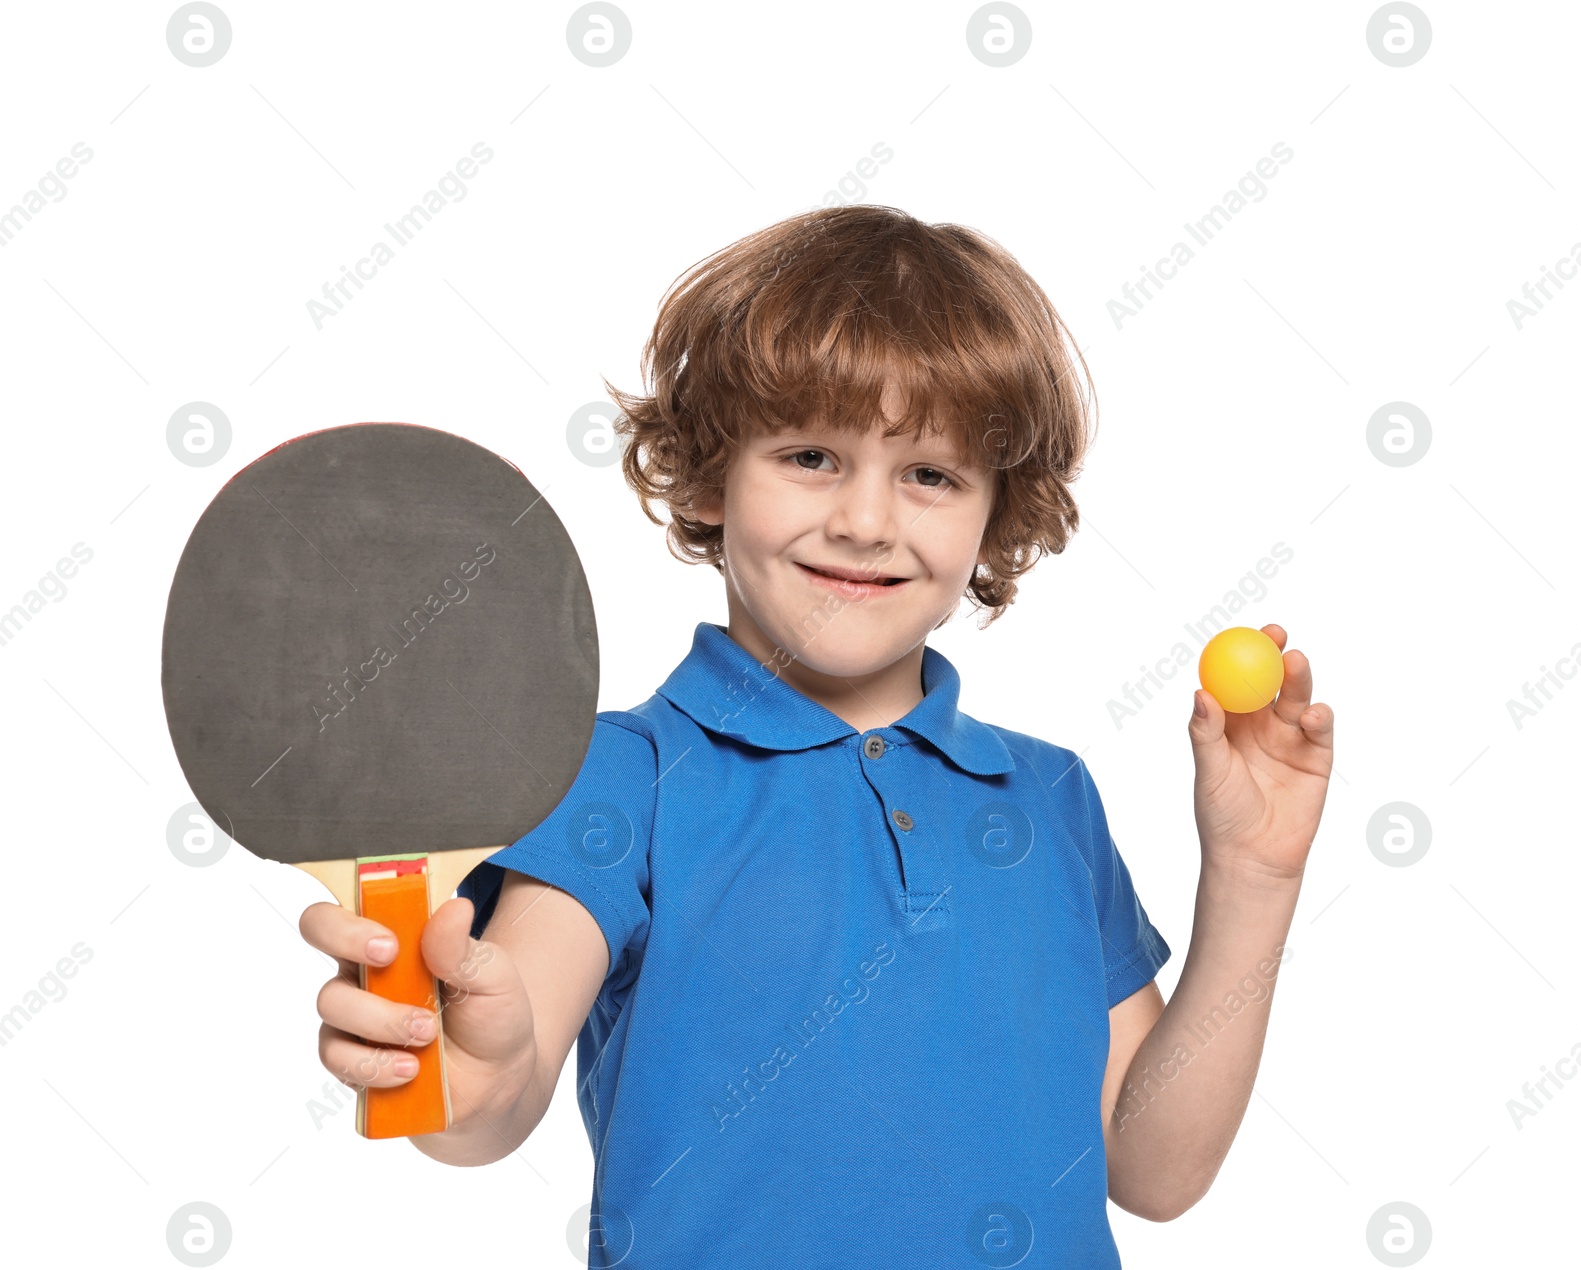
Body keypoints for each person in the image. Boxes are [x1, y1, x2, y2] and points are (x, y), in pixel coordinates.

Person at [300, 205, 1334, 1267]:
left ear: (994, 511)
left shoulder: (1048, 795)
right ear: (708, 473)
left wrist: (1254, 875)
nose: (866, 521)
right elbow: (487, 1095)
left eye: (930, 474)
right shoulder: (620, 775)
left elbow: (1152, 1169)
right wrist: (464, 1068)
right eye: (809, 456)